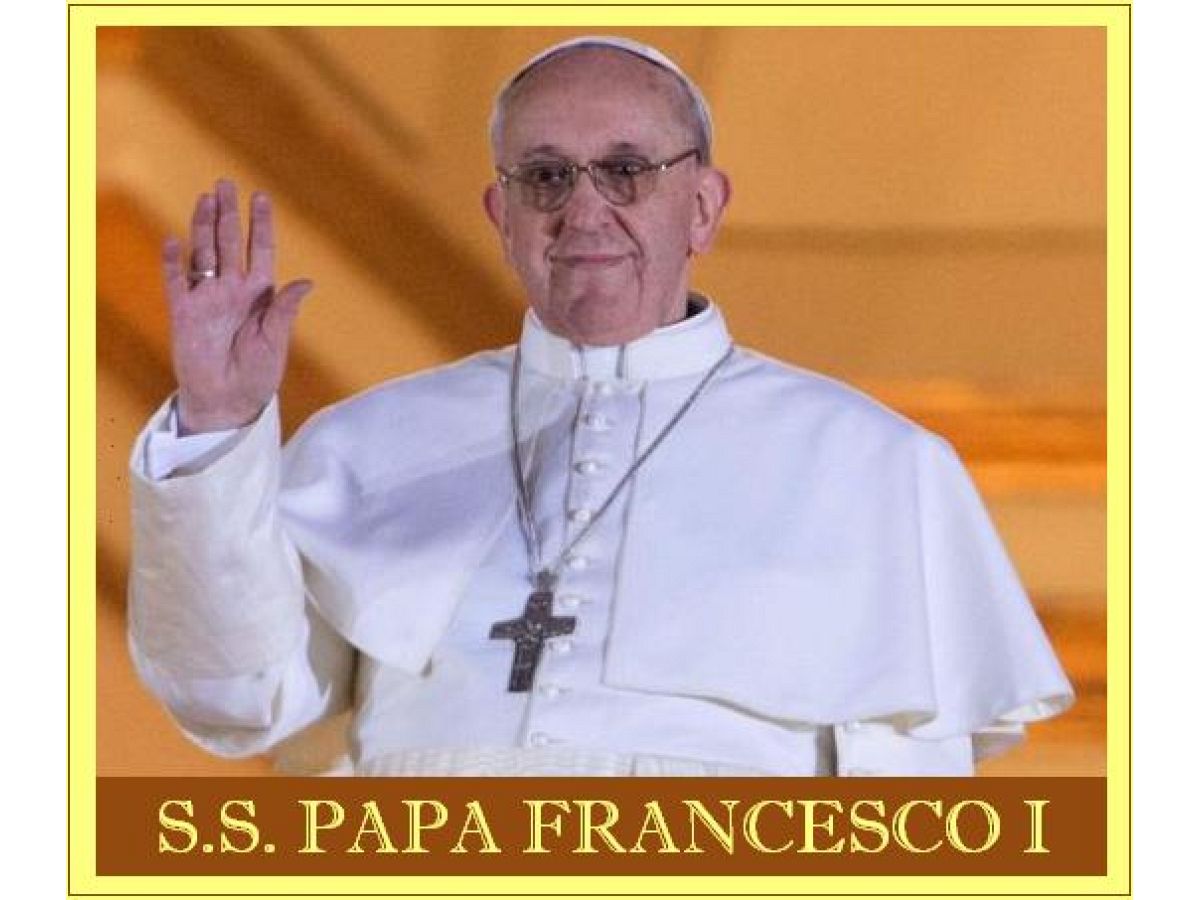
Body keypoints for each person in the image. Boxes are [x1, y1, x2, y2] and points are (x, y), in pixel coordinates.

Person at [127, 36, 1073, 777]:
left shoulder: (874, 465)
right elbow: (233, 698)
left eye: (627, 171)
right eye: (544, 176)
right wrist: (216, 424)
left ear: (702, 207)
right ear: (501, 217)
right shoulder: (368, 443)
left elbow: (905, 801)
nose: (583, 211)